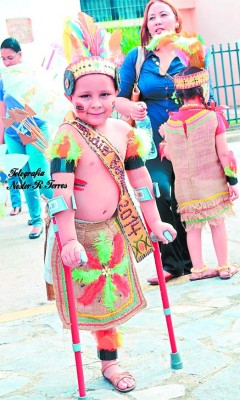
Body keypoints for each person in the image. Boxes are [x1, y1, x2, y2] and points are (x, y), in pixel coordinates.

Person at [46, 12, 177, 393]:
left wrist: (154, 223)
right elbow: (60, 194)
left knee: (110, 304)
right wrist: (68, 239)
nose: (97, 103)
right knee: (94, 305)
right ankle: (110, 365)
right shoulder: (66, 138)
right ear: (70, 97)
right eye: (85, 96)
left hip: (113, 230)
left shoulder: (125, 131)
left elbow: (141, 184)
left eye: (105, 94)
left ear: (115, 93)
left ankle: (110, 363)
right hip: (80, 235)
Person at [116, 0, 202, 283]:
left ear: (176, 21)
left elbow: (204, 96)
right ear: (147, 26)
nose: (157, 21)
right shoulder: (138, 57)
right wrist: (130, 109)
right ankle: (171, 264)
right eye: (151, 17)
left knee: (185, 197)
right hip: (149, 141)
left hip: (188, 139)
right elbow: (119, 97)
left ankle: (193, 261)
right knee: (160, 192)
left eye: (163, 14)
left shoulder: (192, 55)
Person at [160, 65, 239, 280]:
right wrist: (232, 181)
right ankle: (224, 266)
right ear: (202, 90)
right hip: (211, 183)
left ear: (180, 95)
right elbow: (224, 154)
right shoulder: (212, 118)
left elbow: (167, 153)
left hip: (185, 187)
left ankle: (198, 269)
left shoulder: (170, 123)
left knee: (192, 227)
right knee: (217, 223)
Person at [0, 38, 53, 238]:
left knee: (40, 177)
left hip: (33, 129)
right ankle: (36, 220)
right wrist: (2, 139)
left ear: (20, 55)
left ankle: (63, 209)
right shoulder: (3, 78)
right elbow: (2, 109)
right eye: (3, 59)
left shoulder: (32, 74)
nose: (6, 62)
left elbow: (44, 102)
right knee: (26, 179)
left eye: (10, 58)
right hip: (12, 134)